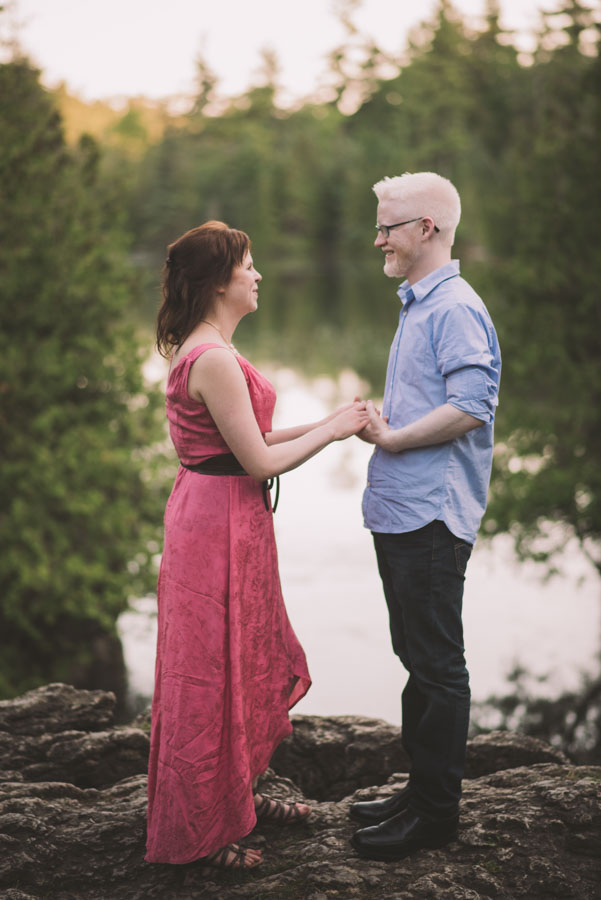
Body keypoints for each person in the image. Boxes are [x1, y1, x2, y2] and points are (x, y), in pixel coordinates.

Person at [145, 221, 369, 870]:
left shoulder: (210, 349)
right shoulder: (211, 358)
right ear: (218, 281)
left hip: (224, 518)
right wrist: (330, 432)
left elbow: (253, 439)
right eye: (248, 265)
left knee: (236, 656)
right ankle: (205, 832)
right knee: (209, 670)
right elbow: (259, 462)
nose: (258, 274)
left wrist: (335, 421)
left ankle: (234, 797)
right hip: (214, 525)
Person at [349, 173, 501, 861]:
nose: (377, 237)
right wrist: (391, 423)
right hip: (401, 511)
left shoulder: (454, 308)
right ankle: (418, 791)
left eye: (388, 225)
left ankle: (435, 815)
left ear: (427, 229)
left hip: (431, 517)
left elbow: (472, 405)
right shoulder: (419, 303)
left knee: (438, 667)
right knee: (415, 657)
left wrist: (394, 438)